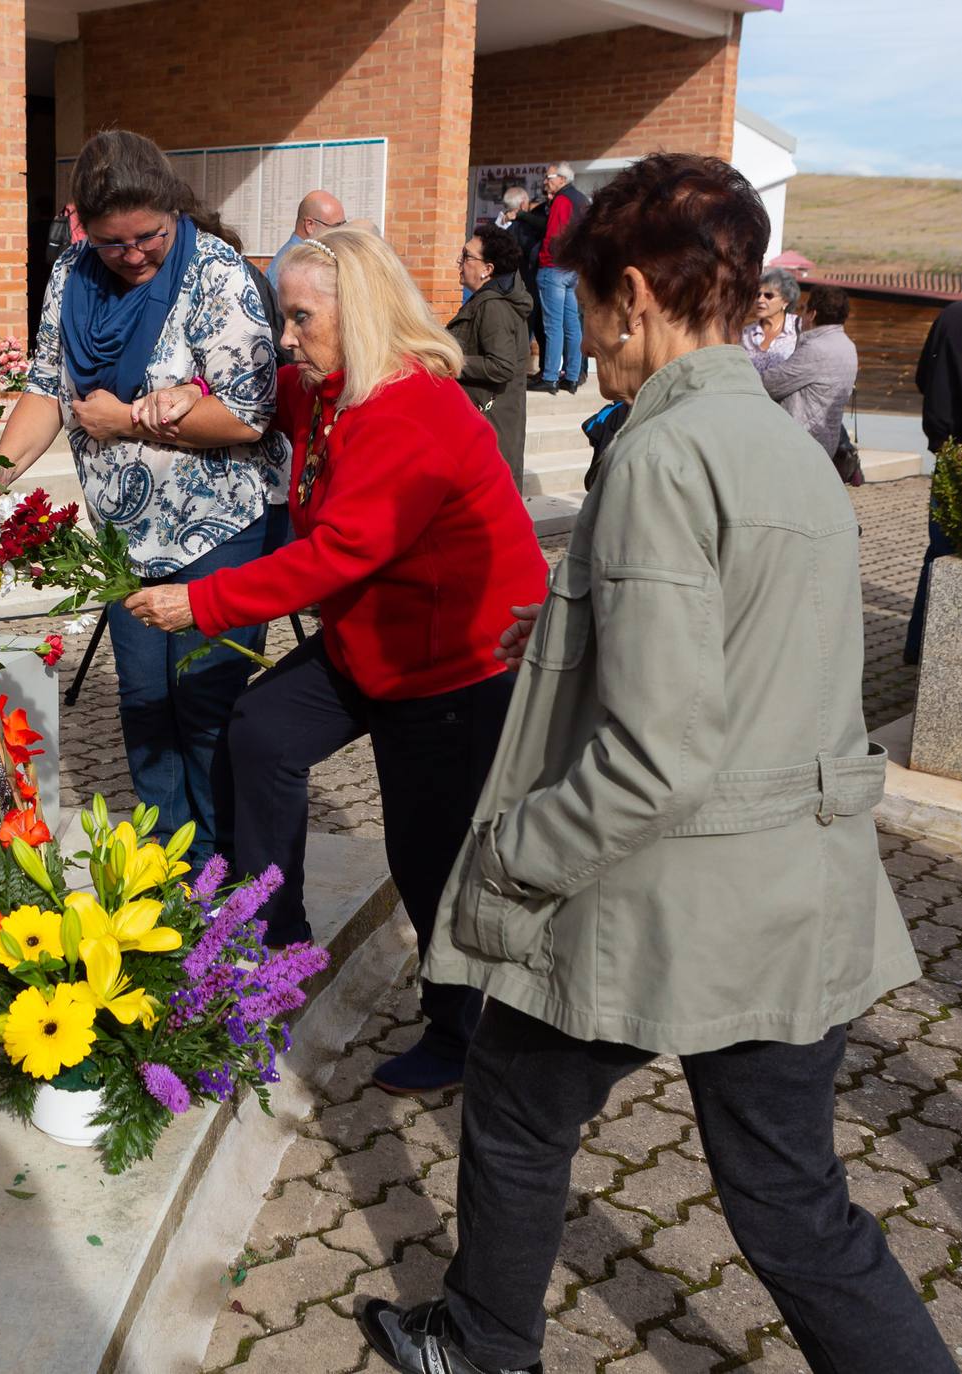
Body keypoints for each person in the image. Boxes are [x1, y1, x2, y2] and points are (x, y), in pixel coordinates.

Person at [361, 151, 949, 1374]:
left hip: (669, 891)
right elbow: (752, 647)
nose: (591, 336)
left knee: (517, 1110)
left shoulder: (660, 454)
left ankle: (481, 1347)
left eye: (585, 301)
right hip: (796, 890)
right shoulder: (790, 443)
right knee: (797, 1203)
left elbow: (658, 752)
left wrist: (515, 856)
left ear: (633, 292)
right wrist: (571, 628)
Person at [124, 229, 546, 1093]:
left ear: (358, 312)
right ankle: (275, 940)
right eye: (282, 315)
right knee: (261, 728)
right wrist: (190, 392)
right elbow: (263, 393)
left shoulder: (414, 412)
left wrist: (198, 602)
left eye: (299, 316)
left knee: (428, 858)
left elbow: (337, 552)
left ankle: (462, 1030)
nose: (286, 335)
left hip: (454, 665)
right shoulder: (330, 386)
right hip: (370, 642)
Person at [0, 129, 288, 863]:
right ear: (85, 227)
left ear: (174, 211)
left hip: (223, 528)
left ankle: (228, 875)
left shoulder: (216, 275)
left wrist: (125, 420)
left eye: (148, 236)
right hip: (125, 537)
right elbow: (49, 385)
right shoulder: (71, 277)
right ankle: (165, 870)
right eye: (115, 243)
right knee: (145, 708)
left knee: (207, 708)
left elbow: (248, 412)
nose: (134, 254)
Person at [446, 224, 532, 488]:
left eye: (467, 256)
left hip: (491, 424)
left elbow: (501, 366)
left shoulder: (493, 306)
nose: (460, 262)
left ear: (488, 269)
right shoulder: (488, 300)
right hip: (488, 423)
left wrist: (450, 360)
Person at [908, 300, 962, 664]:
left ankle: (919, 645)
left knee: (941, 551)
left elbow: (922, 378)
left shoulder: (949, 315)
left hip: (947, 446)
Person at [760, 284, 858, 461]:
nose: (800, 315)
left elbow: (770, 385)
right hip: (825, 441)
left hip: (800, 444)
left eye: (804, 309)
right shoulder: (848, 346)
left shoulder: (817, 349)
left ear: (812, 314)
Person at [527, 162, 588, 395]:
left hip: (555, 268)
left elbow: (553, 235)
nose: (546, 181)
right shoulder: (581, 200)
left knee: (552, 325)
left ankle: (551, 376)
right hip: (572, 269)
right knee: (571, 324)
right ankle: (572, 376)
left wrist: (544, 261)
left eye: (549, 177)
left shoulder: (562, 201)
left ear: (562, 179)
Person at [494, 185, 543, 370]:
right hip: (523, 282)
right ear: (523, 203)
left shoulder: (497, 225)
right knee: (524, 325)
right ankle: (517, 364)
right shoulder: (523, 228)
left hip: (505, 284)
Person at [264, 189, 345, 291]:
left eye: (344, 225)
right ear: (309, 225)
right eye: (336, 226)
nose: (341, 232)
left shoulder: (302, 259)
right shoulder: (292, 265)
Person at [743, 266, 800, 372]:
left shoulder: (799, 328)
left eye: (768, 295)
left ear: (785, 301)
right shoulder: (746, 334)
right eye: (757, 295)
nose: (760, 300)